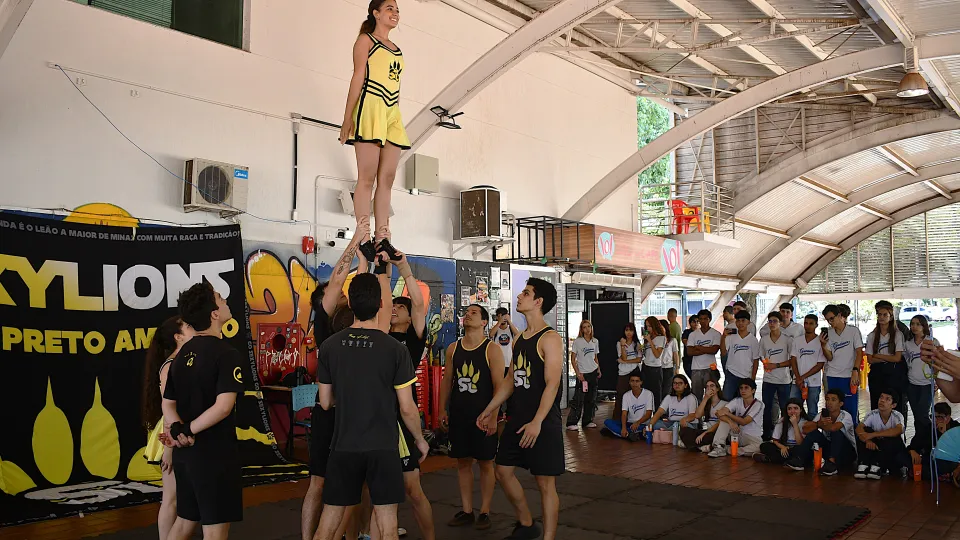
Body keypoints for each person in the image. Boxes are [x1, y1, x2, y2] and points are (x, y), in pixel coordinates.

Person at [313, 273, 428, 540]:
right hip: (383, 447)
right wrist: (420, 439)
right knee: (388, 526)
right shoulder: (395, 349)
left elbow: (326, 402)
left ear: (350, 305)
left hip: (344, 446)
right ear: (380, 306)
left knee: (328, 523)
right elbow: (408, 408)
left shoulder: (330, 346)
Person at [477, 278, 564, 540]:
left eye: (525, 293)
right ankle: (527, 524)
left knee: (545, 483)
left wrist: (538, 421)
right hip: (518, 417)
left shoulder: (550, 338)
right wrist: (490, 408)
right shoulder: (519, 339)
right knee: (502, 471)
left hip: (543, 422)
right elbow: (510, 381)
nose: (519, 296)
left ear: (538, 302)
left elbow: (552, 385)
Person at [161, 280, 246, 539]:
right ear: (214, 314)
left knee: (186, 521)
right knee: (214, 532)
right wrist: (185, 429)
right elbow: (223, 407)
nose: (225, 301)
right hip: (214, 456)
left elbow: (168, 404)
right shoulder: (226, 353)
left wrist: (178, 430)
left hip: (187, 456)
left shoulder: (180, 356)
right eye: (220, 299)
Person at [302, 228, 369, 540]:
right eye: (337, 292)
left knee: (350, 483)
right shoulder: (325, 322)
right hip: (330, 412)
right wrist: (354, 242)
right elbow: (341, 278)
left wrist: (367, 255)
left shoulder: (356, 319)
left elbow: (363, 282)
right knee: (319, 482)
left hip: (352, 413)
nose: (343, 293)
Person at [339, 0, 408, 261]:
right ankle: (363, 235)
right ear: (376, 13)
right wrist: (347, 119)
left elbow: (397, 88)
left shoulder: (398, 51)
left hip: (391, 113)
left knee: (387, 178)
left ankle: (383, 238)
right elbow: (357, 78)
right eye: (390, 8)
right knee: (366, 177)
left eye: (397, 9)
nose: (395, 13)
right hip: (370, 108)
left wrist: (396, 116)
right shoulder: (365, 41)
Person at [438, 305, 504, 531]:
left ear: (485, 322)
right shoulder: (453, 348)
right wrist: (441, 409)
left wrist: (494, 416)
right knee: (463, 462)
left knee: (486, 463)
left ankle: (484, 511)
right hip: (459, 413)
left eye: (474, 313)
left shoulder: (492, 349)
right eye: (467, 312)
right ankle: (467, 510)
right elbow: (447, 381)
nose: (468, 315)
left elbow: (499, 386)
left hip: (483, 415)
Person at [386, 254, 435, 540]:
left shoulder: (413, 339)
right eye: (391, 306)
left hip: (403, 419)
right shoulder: (379, 335)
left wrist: (402, 268)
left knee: (412, 489)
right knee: (375, 486)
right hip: (379, 415)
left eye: (399, 307)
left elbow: (418, 303)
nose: (394, 309)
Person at [142, 316, 195, 540]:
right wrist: (170, 449)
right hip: (169, 436)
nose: (193, 327)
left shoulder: (181, 362)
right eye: (188, 326)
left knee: (178, 498)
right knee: (171, 498)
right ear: (178, 336)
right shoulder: (171, 366)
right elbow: (168, 409)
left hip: (176, 434)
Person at [786, 388, 857, 475]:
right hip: (830, 450)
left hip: (846, 452)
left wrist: (818, 424)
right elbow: (805, 429)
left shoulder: (846, 415)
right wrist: (818, 424)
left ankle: (832, 464)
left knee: (836, 433)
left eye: (833, 400)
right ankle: (800, 460)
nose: (829, 402)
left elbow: (834, 428)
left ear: (841, 404)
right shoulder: (822, 414)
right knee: (814, 433)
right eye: (827, 399)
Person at [822, 304, 863, 423]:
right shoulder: (829, 333)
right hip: (832, 375)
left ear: (840, 315)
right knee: (834, 410)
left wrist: (855, 371)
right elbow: (829, 357)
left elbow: (859, 352)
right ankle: (834, 437)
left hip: (848, 376)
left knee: (851, 410)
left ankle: (852, 438)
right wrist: (823, 345)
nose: (830, 322)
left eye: (832, 318)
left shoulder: (853, 331)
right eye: (827, 320)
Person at [854, 390, 908, 480]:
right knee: (865, 431)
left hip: (892, 451)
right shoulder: (872, 413)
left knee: (892, 437)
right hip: (876, 447)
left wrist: (873, 435)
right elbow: (859, 428)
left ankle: (877, 465)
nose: (882, 400)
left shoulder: (897, 416)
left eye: (887, 399)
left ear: (893, 405)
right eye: (881, 397)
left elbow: (898, 430)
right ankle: (864, 465)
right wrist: (868, 440)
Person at [865, 301, 907, 415]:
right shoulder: (872, 336)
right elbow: (870, 359)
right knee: (877, 403)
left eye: (885, 315)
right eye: (879, 314)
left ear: (891, 316)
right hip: (877, 373)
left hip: (894, 373)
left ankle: (897, 431)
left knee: (895, 404)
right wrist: (888, 357)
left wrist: (878, 355)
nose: (881, 317)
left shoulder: (898, 334)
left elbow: (897, 358)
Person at [708, 380, 764, 458]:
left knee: (760, 447)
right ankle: (718, 446)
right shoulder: (737, 401)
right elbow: (718, 413)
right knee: (725, 421)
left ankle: (729, 450)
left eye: (746, 388)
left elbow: (744, 422)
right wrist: (730, 422)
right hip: (736, 433)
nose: (743, 390)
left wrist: (728, 414)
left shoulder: (759, 404)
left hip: (752, 437)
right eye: (741, 388)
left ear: (753, 390)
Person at [760, 312, 793, 440]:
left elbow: (792, 360)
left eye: (775, 321)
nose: (772, 324)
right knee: (767, 407)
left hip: (784, 380)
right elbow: (761, 356)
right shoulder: (764, 340)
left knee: (785, 408)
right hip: (768, 379)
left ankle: (785, 433)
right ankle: (767, 433)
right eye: (770, 321)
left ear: (780, 323)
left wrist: (777, 365)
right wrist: (766, 364)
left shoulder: (787, 340)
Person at [908, 402, 960, 480]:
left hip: (949, 461)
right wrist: (912, 450)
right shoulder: (928, 428)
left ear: (948, 418)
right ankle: (942, 475)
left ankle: (934, 474)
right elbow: (915, 443)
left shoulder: (956, 428)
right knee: (903, 456)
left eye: (939, 417)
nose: (935, 420)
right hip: (931, 459)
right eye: (933, 417)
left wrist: (944, 434)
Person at [789, 314, 827, 418]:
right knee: (794, 409)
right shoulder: (797, 340)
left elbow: (820, 364)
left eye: (811, 323)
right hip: (796, 382)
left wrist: (802, 377)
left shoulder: (820, 341)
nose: (808, 326)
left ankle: (811, 433)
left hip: (813, 383)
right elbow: (793, 359)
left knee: (812, 411)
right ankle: (795, 432)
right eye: (806, 323)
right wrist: (798, 377)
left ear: (816, 325)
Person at [905, 315, 937, 435]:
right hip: (912, 383)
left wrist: (936, 381)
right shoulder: (908, 344)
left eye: (918, 324)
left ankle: (929, 439)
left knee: (922, 414)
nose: (914, 326)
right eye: (912, 323)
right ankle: (919, 442)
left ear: (924, 326)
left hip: (927, 383)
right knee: (916, 415)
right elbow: (907, 362)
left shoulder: (931, 341)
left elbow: (938, 364)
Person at [566, 320, 601, 431]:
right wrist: (578, 373)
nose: (587, 329)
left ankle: (588, 420)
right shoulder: (578, 342)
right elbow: (572, 359)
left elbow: (595, 357)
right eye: (584, 327)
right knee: (578, 399)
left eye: (588, 326)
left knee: (591, 398)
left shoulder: (595, 341)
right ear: (581, 329)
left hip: (593, 371)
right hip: (583, 374)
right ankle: (572, 422)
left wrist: (598, 369)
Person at [602, 370, 654, 440]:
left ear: (641, 382)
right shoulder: (626, 395)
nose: (634, 383)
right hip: (629, 424)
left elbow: (648, 414)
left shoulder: (648, 394)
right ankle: (630, 435)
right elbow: (624, 414)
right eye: (632, 381)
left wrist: (637, 423)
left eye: (637, 381)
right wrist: (623, 428)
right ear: (629, 382)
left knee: (647, 428)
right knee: (607, 422)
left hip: (642, 424)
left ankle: (623, 434)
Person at [720, 310, 760, 402]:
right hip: (731, 374)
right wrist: (723, 337)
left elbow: (755, 360)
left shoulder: (753, 340)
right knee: (726, 400)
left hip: (747, 376)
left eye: (743, 320)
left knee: (744, 403)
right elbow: (723, 353)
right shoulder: (730, 336)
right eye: (738, 320)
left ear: (748, 322)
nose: (740, 323)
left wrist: (753, 378)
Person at [754, 398, 807, 464]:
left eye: (795, 408)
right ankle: (786, 460)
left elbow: (800, 443)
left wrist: (795, 424)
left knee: (800, 451)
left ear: (801, 410)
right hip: (784, 448)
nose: (792, 411)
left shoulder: (805, 423)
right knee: (764, 445)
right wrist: (783, 447)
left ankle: (770, 459)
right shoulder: (782, 421)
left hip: (796, 449)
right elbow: (775, 440)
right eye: (789, 409)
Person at [679, 379, 727, 452]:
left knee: (710, 437)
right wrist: (705, 398)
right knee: (683, 431)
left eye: (712, 386)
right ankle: (700, 447)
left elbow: (719, 423)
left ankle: (690, 445)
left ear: (717, 389)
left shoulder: (725, 404)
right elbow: (697, 416)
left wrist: (704, 433)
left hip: (715, 433)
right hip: (705, 431)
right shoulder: (706, 403)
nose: (709, 388)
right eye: (707, 387)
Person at [687, 310, 722, 399]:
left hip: (710, 368)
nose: (703, 321)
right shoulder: (693, 334)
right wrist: (707, 349)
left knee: (711, 394)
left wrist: (699, 347)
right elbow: (690, 352)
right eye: (701, 319)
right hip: (696, 368)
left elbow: (714, 350)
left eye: (705, 319)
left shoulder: (716, 333)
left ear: (709, 319)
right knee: (696, 395)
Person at [613, 322, 643, 420]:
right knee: (621, 396)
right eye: (626, 330)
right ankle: (618, 420)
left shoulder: (637, 344)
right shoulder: (619, 343)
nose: (629, 333)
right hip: (623, 373)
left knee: (635, 396)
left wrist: (625, 361)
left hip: (634, 371)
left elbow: (638, 359)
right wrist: (622, 346)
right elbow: (623, 356)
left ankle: (634, 419)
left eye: (631, 330)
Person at [639, 317, 666, 406]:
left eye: (650, 326)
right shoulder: (647, 339)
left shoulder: (661, 338)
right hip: (645, 366)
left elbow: (657, 355)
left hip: (655, 369)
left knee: (656, 393)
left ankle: (657, 415)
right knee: (644, 391)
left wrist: (650, 341)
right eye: (646, 326)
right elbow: (646, 354)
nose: (648, 329)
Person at [489, 307, 519, 373]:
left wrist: (509, 321)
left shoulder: (511, 329)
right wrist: (499, 322)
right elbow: (491, 335)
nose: (503, 318)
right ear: (497, 317)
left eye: (504, 315)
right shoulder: (495, 329)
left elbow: (517, 335)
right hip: (497, 363)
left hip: (510, 363)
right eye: (500, 316)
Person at [659, 319, 679, 402]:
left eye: (661, 327)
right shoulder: (656, 340)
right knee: (659, 390)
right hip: (657, 367)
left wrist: (677, 368)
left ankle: (665, 411)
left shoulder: (672, 340)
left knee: (667, 390)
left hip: (668, 367)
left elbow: (675, 355)